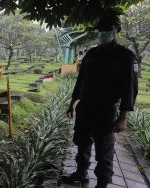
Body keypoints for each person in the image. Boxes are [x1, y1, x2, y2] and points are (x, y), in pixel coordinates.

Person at [62, 14, 138, 188]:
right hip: (85, 107)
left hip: (105, 111)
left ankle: (102, 183)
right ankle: (81, 174)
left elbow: (130, 88)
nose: (102, 33)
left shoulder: (125, 56)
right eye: (100, 30)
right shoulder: (92, 53)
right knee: (81, 142)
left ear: (115, 31)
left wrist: (123, 116)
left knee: (104, 150)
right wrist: (72, 103)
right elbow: (81, 80)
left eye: (107, 30)